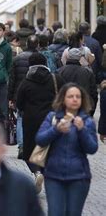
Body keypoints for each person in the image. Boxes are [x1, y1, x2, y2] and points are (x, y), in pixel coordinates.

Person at [36, 83, 98, 216]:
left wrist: (82, 130)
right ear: (63, 99)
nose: (75, 99)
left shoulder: (87, 121)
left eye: (78, 96)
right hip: (53, 176)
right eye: (70, 96)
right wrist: (56, 130)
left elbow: (92, 148)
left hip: (79, 177)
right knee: (55, 212)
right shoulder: (52, 117)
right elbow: (40, 139)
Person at [16, 53, 64, 193]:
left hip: (31, 120)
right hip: (52, 119)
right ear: (45, 63)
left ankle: (37, 172)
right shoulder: (56, 78)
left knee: (30, 150)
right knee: (49, 148)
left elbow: (19, 103)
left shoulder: (26, 82)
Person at [8, 35, 38, 157]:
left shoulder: (17, 58)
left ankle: (21, 146)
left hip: (19, 93)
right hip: (35, 93)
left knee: (20, 119)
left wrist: (10, 97)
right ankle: (33, 146)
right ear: (37, 45)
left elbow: (12, 80)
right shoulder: (40, 58)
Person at [58, 48, 98, 114]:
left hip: (64, 107)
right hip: (83, 107)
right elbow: (93, 93)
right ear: (79, 58)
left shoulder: (59, 71)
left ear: (68, 57)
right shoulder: (87, 72)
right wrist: (91, 110)